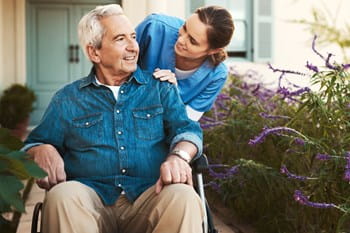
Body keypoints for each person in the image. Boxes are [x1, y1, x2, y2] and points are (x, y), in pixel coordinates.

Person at [24, 4, 204, 233]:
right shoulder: (67, 99)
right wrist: (39, 149)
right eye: (120, 39)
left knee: (184, 196)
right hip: (90, 202)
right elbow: (31, 144)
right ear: (94, 52)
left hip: (149, 196)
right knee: (62, 195)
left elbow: (188, 131)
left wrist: (179, 156)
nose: (133, 47)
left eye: (133, 37)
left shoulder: (160, 88)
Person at [136, 5, 235, 121]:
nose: (181, 40)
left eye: (192, 41)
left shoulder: (216, 76)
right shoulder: (154, 27)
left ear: (213, 50)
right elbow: (113, 64)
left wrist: (172, 95)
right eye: (185, 28)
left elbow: (185, 122)